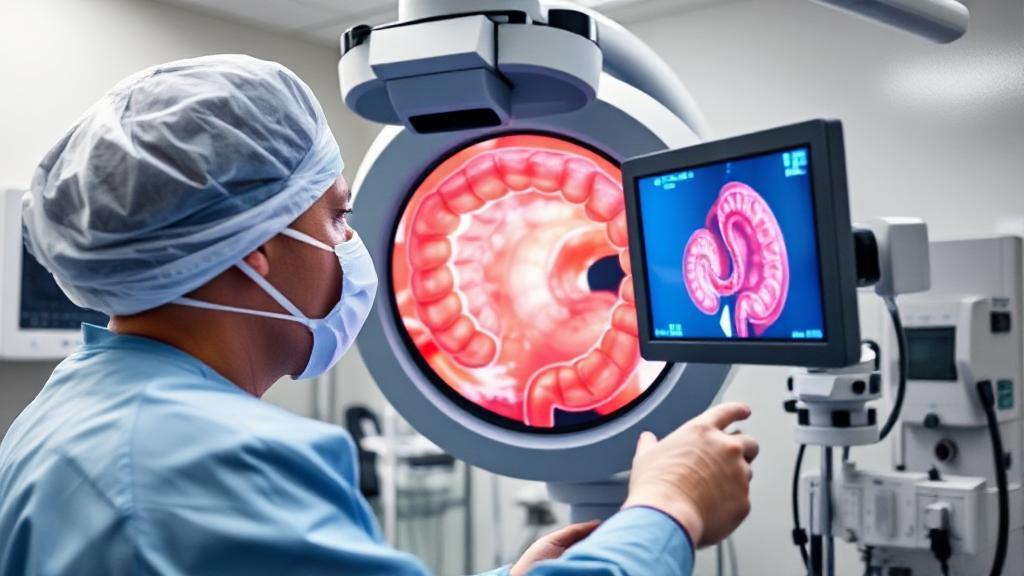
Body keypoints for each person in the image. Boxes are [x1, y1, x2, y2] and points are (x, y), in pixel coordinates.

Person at [0, 55, 758, 576]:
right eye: (336, 218)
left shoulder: (67, 413)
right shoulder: (218, 461)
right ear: (254, 251)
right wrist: (669, 509)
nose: (349, 246)